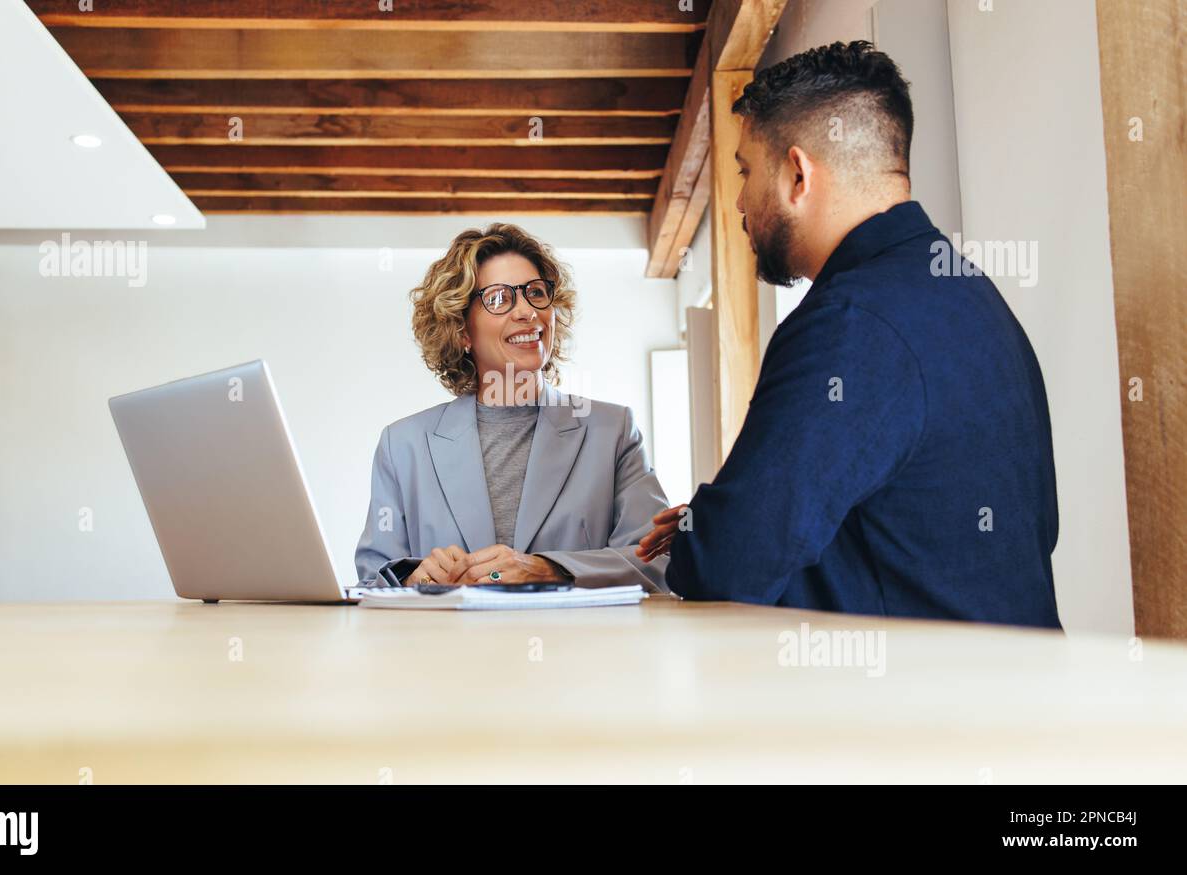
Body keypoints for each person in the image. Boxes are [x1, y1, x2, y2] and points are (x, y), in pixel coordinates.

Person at [637, 41, 1062, 628]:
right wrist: (724, 518)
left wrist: (706, 527)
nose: (737, 201)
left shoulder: (849, 322)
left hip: (917, 709)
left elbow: (728, 563)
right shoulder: (971, 295)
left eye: (744, 171)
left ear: (796, 173)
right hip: (1002, 692)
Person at [356, 223, 671, 591]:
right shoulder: (402, 445)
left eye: (535, 293)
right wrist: (415, 577)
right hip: (446, 648)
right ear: (461, 330)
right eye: (499, 298)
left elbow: (658, 563)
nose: (526, 312)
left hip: (578, 648)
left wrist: (552, 569)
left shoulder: (613, 431)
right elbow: (371, 579)